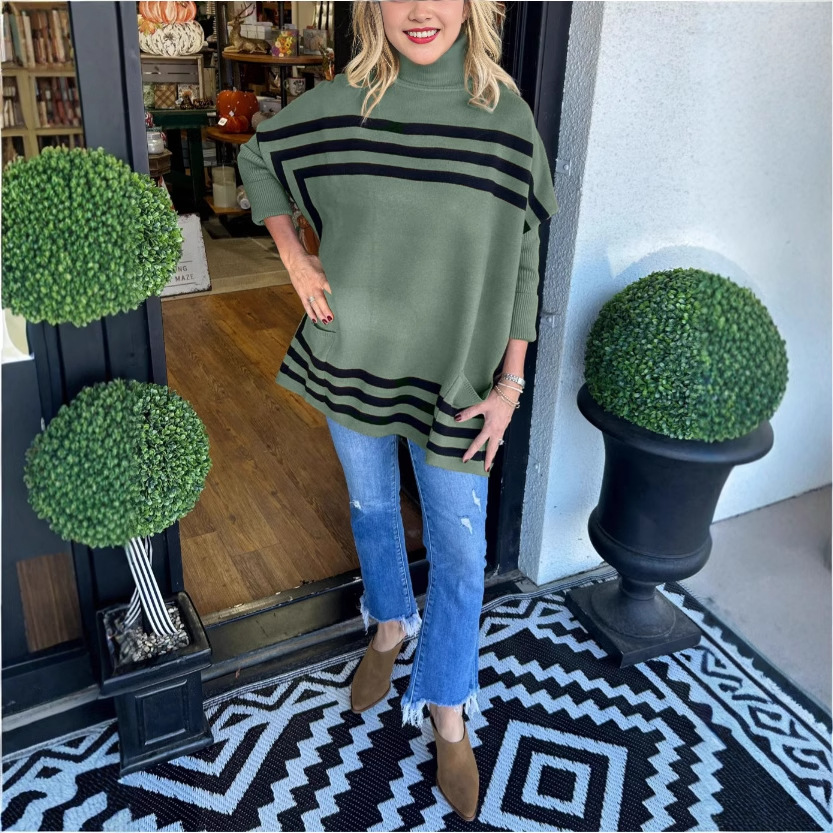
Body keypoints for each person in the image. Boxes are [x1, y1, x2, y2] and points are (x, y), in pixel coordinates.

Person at [238, 0, 558, 820]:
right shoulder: (343, 105)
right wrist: (295, 258)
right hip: (352, 354)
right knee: (372, 505)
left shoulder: (503, 118)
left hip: (458, 378)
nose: (419, 11)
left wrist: (510, 384)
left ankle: (446, 706)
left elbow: (525, 257)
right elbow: (259, 155)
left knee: (461, 549)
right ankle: (387, 623)